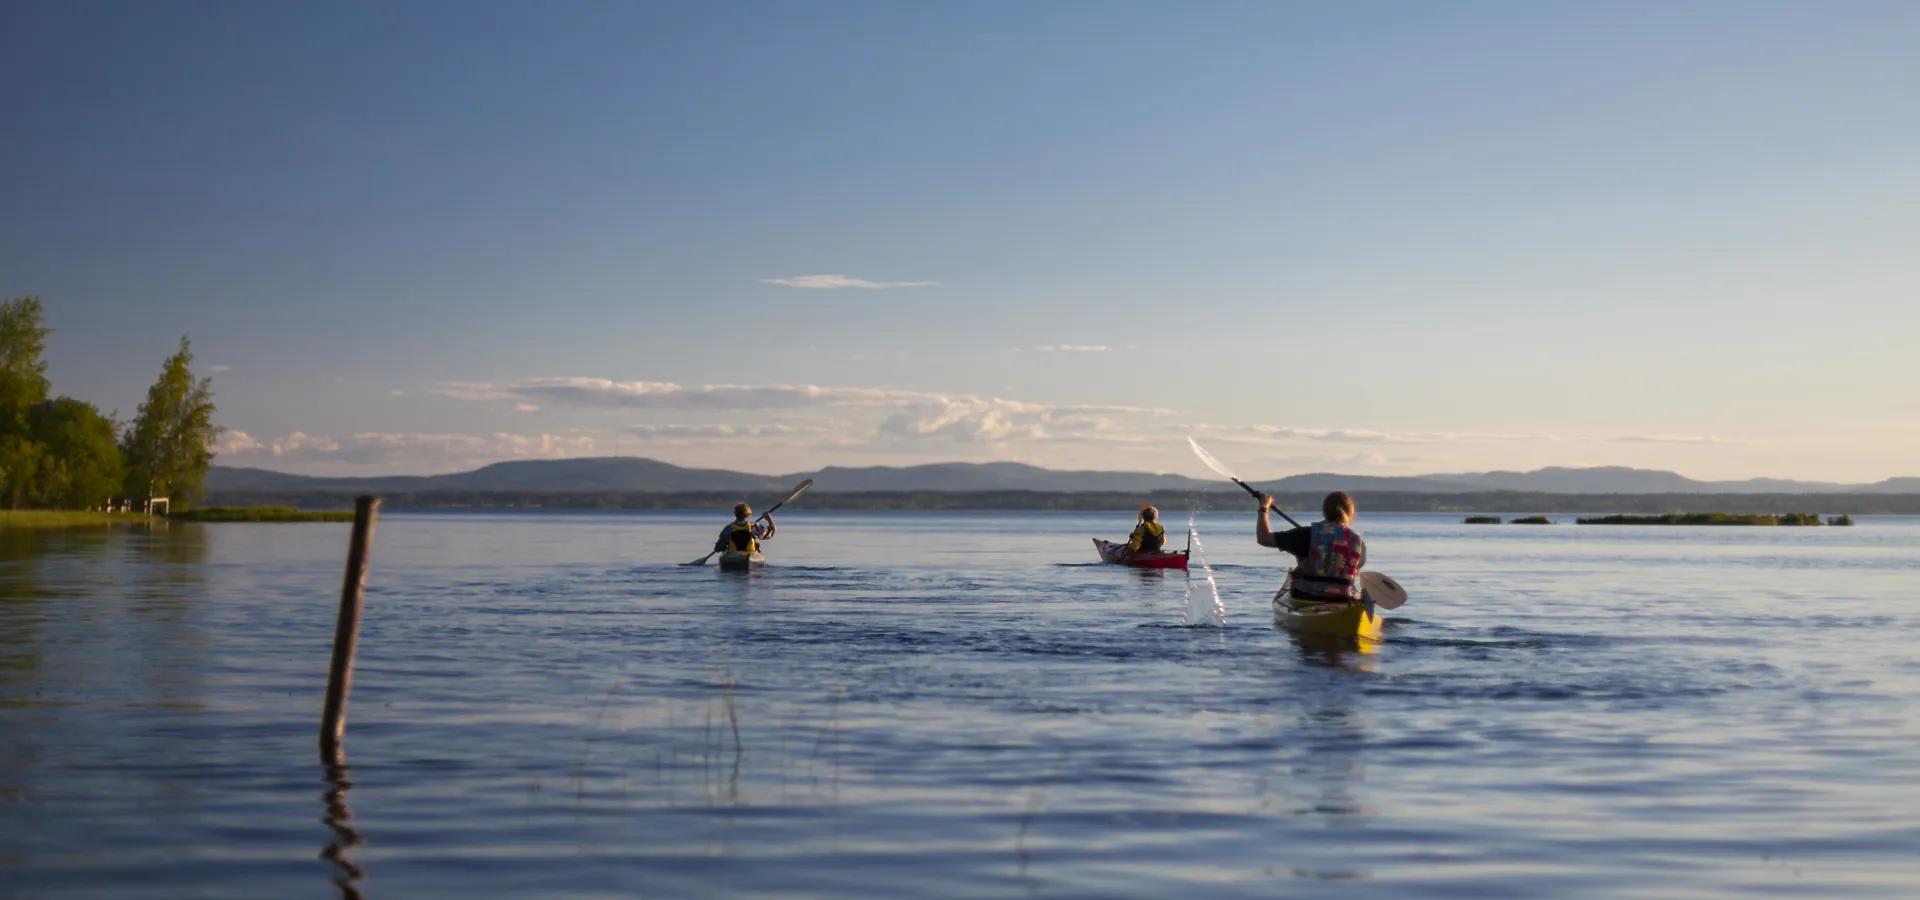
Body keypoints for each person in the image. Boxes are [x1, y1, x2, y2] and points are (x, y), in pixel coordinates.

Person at [1255, 491, 1366, 602]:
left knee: (1295, 571)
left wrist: (1264, 508)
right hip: (1343, 598)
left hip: (1306, 596)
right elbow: (1357, 565)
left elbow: (1263, 538)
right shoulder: (1357, 542)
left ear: (1324, 511)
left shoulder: (1306, 534)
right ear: (1351, 514)